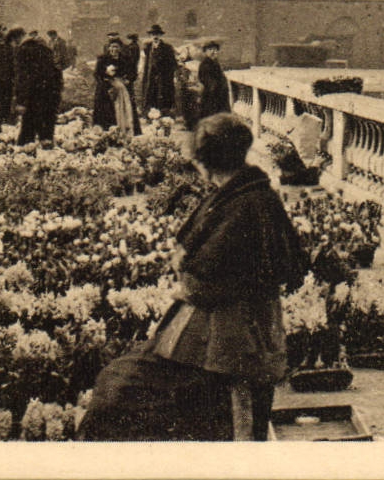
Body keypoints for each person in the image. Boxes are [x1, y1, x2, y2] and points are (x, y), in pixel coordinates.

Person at [79, 113, 307, 441]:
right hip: (240, 331)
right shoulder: (251, 192)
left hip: (228, 342)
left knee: (119, 391)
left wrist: (185, 277)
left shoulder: (243, 204)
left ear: (206, 162)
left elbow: (205, 280)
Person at [14, 31, 63, 145]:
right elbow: (58, 82)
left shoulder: (24, 54)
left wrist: (21, 101)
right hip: (49, 98)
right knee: (46, 130)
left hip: (33, 98)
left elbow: (23, 80)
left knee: (28, 130)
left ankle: (25, 151)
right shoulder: (48, 56)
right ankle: (46, 148)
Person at [137, 24, 178, 119]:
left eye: (157, 34)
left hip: (164, 78)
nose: (155, 37)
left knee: (164, 96)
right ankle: (151, 117)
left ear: (160, 36)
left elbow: (173, 64)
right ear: (150, 36)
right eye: (153, 34)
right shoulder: (147, 49)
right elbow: (144, 64)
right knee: (150, 96)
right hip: (150, 78)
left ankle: (164, 117)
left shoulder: (167, 48)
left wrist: (171, 76)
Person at [92, 34, 123, 128]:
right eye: (112, 47)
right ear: (109, 48)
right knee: (104, 108)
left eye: (117, 47)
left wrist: (123, 79)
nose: (114, 49)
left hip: (118, 87)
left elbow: (129, 72)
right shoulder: (102, 59)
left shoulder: (123, 59)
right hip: (104, 87)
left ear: (120, 48)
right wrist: (105, 80)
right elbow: (96, 74)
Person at [196, 38, 232, 120]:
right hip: (212, 99)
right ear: (205, 52)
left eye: (215, 50)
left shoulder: (215, 63)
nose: (213, 52)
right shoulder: (205, 64)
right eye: (210, 49)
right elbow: (210, 83)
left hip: (216, 98)